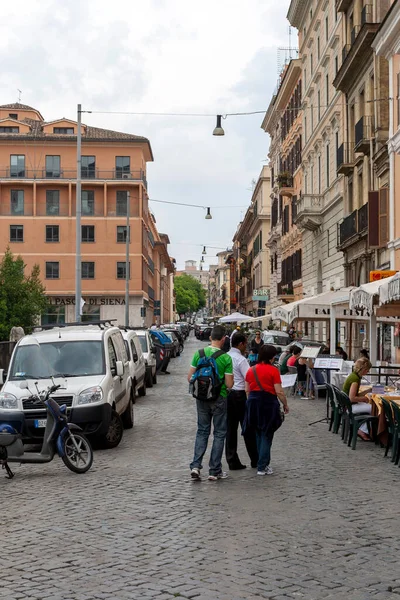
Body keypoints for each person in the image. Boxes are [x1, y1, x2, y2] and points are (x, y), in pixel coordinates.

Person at [188, 325, 234, 481]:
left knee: (202, 431)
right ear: (223, 339)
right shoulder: (226, 358)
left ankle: (195, 466)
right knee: (219, 434)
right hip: (219, 398)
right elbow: (229, 384)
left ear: (210, 338)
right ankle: (214, 471)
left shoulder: (199, 353)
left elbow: (190, 378)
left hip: (201, 398)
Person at [243, 345, 289, 476]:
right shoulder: (273, 370)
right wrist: (285, 404)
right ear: (271, 357)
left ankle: (261, 463)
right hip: (268, 402)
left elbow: (247, 390)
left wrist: (250, 402)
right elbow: (279, 391)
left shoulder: (251, 370)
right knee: (267, 433)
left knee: (258, 432)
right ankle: (262, 466)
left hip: (253, 402)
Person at [226, 333, 258, 470]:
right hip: (239, 395)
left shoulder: (225, 357)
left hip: (227, 394)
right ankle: (255, 459)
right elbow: (249, 377)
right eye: (246, 343)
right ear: (240, 344)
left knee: (230, 429)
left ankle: (232, 460)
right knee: (248, 427)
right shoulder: (241, 359)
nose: (247, 346)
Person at [343, 357, 373, 441]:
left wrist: (368, 391)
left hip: (347, 405)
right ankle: (362, 430)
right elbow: (352, 398)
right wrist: (364, 398)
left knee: (371, 407)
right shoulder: (355, 379)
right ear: (363, 369)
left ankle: (366, 429)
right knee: (373, 409)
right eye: (367, 370)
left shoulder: (354, 376)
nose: (368, 372)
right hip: (350, 406)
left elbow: (355, 394)